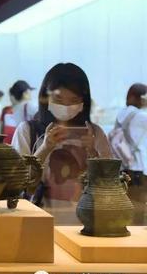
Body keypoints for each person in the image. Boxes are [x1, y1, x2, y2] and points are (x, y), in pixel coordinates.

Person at [11, 63, 111, 223]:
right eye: (58, 99)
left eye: (74, 100)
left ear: (83, 102)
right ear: (46, 97)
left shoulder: (95, 133)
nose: (66, 106)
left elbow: (109, 182)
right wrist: (45, 148)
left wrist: (92, 152)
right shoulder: (28, 131)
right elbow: (16, 181)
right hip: (38, 219)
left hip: (85, 222)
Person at [114, 83, 147, 224]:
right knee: (138, 208)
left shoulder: (121, 114)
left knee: (124, 206)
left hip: (122, 167)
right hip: (137, 168)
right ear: (135, 97)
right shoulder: (140, 116)